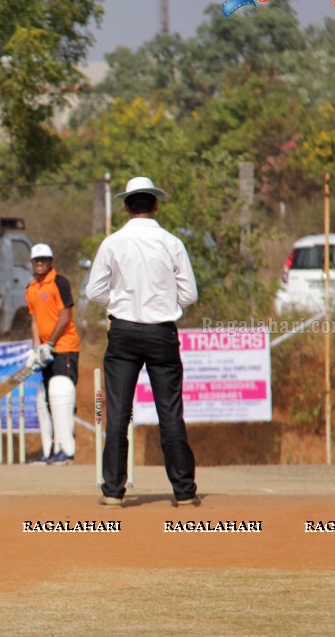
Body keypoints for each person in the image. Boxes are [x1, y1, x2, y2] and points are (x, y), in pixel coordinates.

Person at [85, 177, 200, 508]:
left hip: (123, 332)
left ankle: (112, 491)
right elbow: (190, 294)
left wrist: (118, 300)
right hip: (162, 332)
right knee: (170, 412)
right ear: (155, 205)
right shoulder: (172, 242)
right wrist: (164, 298)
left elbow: (93, 292)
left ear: (125, 206)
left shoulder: (113, 242)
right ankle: (184, 489)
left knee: (118, 412)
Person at [25, 243, 81, 465]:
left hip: (65, 347)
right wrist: (37, 348)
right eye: (36, 260)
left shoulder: (59, 282)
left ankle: (67, 451)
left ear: (51, 262)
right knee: (49, 399)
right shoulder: (31, 288)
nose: (40, 264)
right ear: (32, 263)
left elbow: (65, 316)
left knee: (62, 395)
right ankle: (54, 450)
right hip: (47, 350)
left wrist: (50, 343)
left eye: (44, 260)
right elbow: (35, 320)